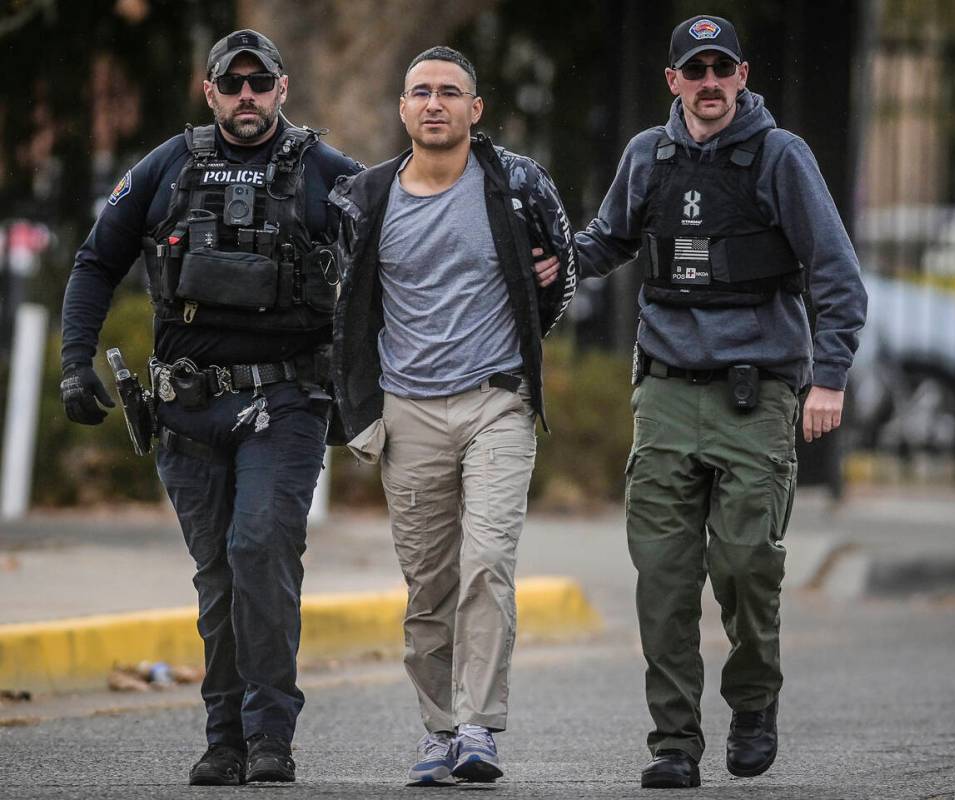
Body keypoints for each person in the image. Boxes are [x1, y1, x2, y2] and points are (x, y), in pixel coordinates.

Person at [59, 29, 362, 786]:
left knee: (259, 550)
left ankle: (269, 737)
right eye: (234, 84)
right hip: (185, 409)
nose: (248, 97)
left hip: (286, 400)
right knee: (219, 575)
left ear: (284, 90)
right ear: (211, 92)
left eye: (261, 84)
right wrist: (74, 365)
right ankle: (224, 738)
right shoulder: (166, 166)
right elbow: (97, 261)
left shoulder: (330, 173)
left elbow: (396, 263)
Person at [575, 15, 867, 789]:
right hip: (665, 394)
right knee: (663, 579)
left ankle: (752, 700)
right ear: (672, 81)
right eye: (693, 71)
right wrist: (548, 259)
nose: (708, 84)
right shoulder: (648, 154)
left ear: (741, 75)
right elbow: (605, 242)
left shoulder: (779, 156)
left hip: (756, 394)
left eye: (721, 69)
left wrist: (827, 377)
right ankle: (673, 743)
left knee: (744, 565)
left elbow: (835, 276)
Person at [328, 46, 576, 786]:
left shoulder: (517, 184)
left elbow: (558, 278)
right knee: (428, 582)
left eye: (450, 92)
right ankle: (438, 730)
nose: (434, 103)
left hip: (497, 401)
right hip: (408, 411)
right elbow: (347, 310)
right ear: (401, 110)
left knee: (488, 563)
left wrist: (535, 313)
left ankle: (478, 726)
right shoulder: (363, 200)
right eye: (420, 93)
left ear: (476, 110)